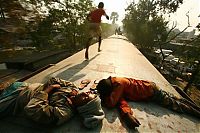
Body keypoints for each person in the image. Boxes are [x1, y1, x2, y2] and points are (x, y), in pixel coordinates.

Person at [96, 76, 200, 129]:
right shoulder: (114, 81)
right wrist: (126, 113)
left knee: (177, 105)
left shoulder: (119, 84)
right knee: (178, 100)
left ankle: (197, 113)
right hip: (150, 86)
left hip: (151, 93)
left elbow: (112, 103)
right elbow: (121, 101)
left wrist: (103, 99)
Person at [0, 77, 104, 129]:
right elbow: (53, 79)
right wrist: (48, 94)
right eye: (87, 93)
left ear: (83, 107)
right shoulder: (72, 88)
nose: (83, 94)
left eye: (85, 98)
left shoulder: (64, 111)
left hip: (13, 100)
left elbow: (33, 108)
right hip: (20, 86)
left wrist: (48, 90)